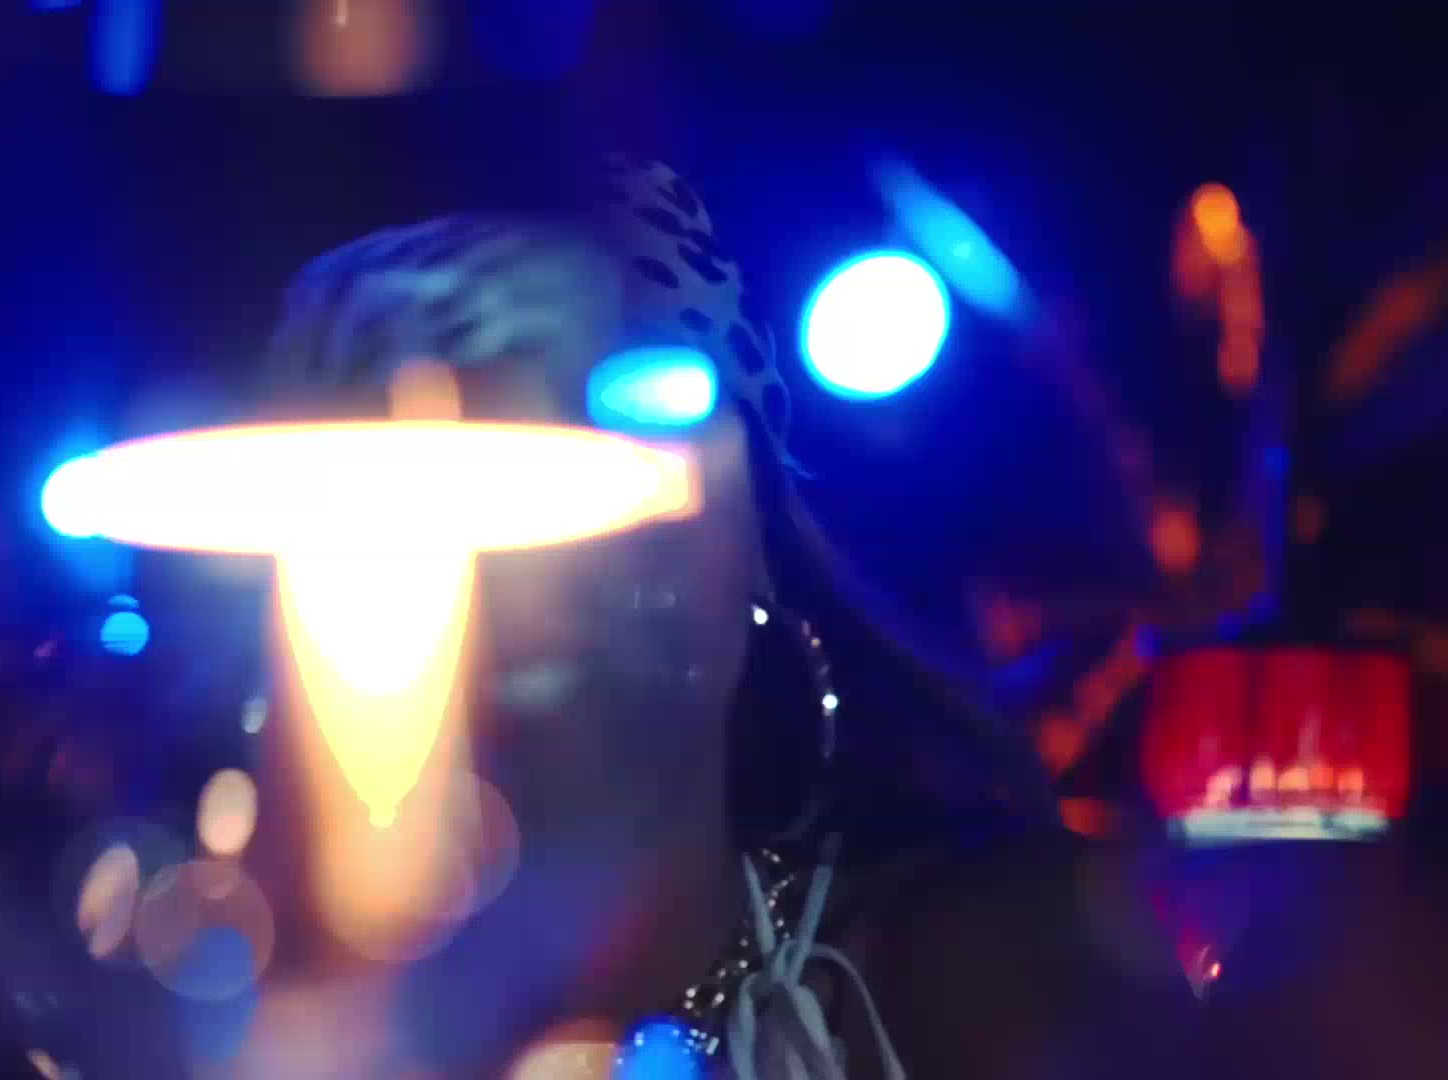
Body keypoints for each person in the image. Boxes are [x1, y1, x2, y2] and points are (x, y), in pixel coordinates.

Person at [232, 154, 1200, 1078]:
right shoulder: (188, 1012)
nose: (530, 567)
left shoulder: (1008, 975)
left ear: (758, 539)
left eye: (619, 439)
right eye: (418, 493)